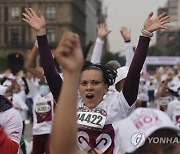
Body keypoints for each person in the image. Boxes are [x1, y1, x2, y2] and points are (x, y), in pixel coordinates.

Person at [22, 8, 170, 153]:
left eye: (95, 83)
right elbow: (50, 73)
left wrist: (145, 36)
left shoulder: (118, 104)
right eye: (84, 83)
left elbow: (133, 72)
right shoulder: (71, 103)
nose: (89, 87)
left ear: (106, 87)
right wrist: (41, 34)